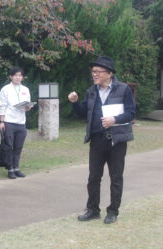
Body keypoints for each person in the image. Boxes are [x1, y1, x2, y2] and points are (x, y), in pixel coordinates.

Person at [68, 56, 136, 224]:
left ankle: (113, 211)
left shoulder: (123, 89)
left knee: (116, 177)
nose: (94, 74)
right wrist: (75, 103)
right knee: (94, 177)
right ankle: (92, 209)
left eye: (98, 72)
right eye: (93, 72)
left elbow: (131, 113)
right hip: (97, 140)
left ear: (109, 74)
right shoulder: (91, 91)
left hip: (117, 141)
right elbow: (83, 112)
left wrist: (115, 120)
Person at [0, 67, 31, 179]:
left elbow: (28, 105)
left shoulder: (25, 89)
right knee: (9, 146)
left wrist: (28, 107)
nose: (18, 77)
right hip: (9, 121)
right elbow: (2, 105)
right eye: (16, 75)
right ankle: (10, 169)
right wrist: (2, 121)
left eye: (20, 75)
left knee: (18, 146)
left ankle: (16, 168)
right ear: (11, 76)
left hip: (21, 122)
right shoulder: (5, 89)